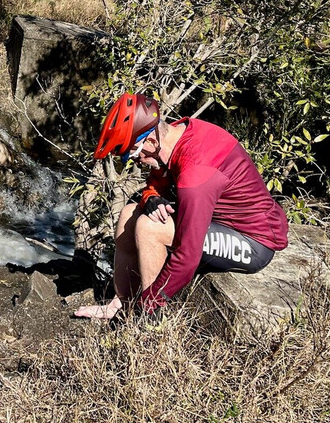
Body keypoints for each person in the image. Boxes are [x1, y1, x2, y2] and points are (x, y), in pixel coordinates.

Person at [74, 92, 288, 320]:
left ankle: (150, 322)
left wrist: (148, 304)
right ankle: (122, 304)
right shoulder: (175, 135)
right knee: (129, 214)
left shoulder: (196, 173)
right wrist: (151, 198)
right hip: (219, 221)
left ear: (152, 141)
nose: (134, 163)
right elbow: (156, 184)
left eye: (134, 156)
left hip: (254, 241)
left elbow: (187, 257)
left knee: (150, 228)